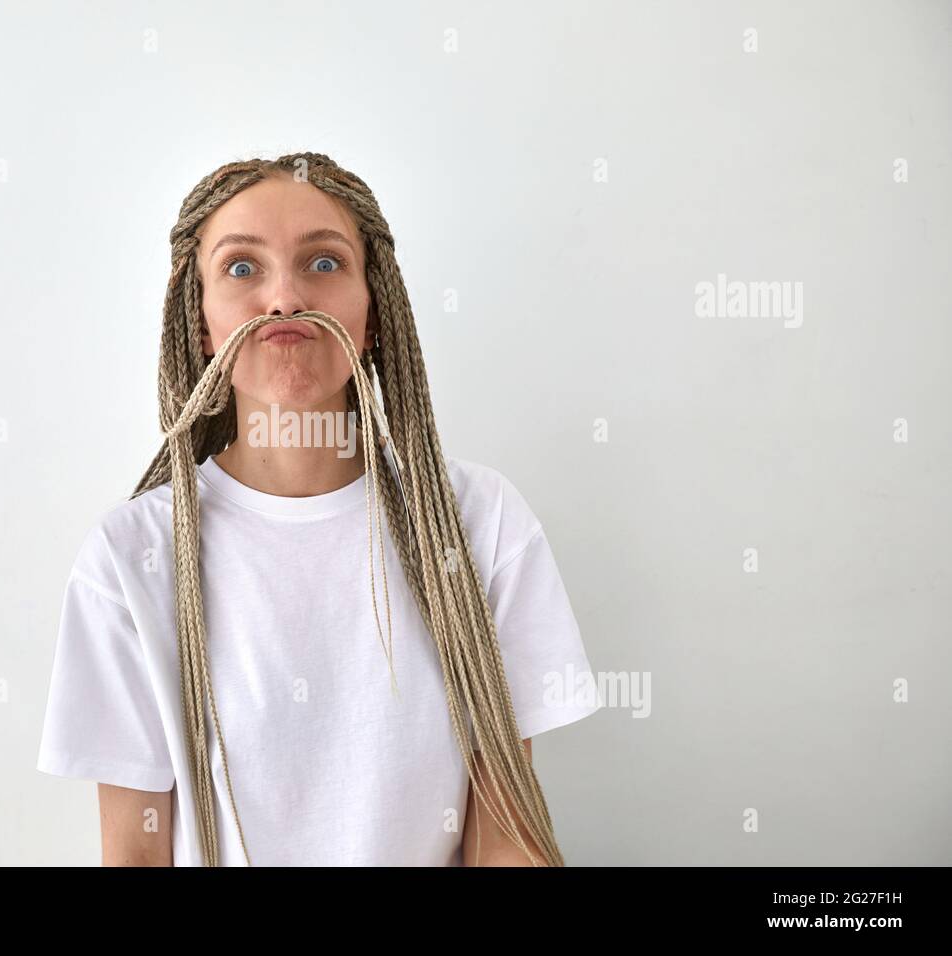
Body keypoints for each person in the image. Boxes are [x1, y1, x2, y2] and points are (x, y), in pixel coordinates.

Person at [36, 152, 602, 866]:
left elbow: (505, 838)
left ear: (373, 316)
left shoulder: (480, 525)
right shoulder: (129, 559)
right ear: (201, 323)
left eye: (324, 263)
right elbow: (134, 856)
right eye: (241, 268)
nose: (283, 299)